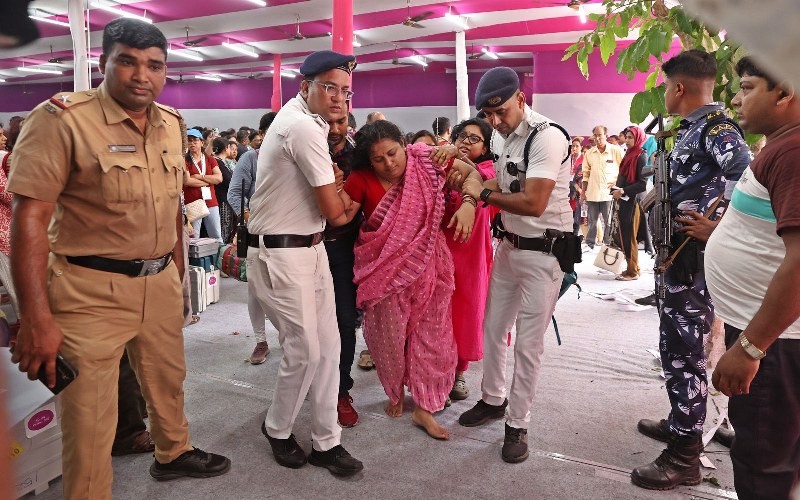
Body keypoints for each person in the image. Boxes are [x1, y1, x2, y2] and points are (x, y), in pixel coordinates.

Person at [7, 18, 230, 499]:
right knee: (89, 419)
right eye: (127, 61)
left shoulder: (170, 123)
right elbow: (29, 219)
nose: (141, 75)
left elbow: (171, 205)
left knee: (168, 382)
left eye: (154, 65)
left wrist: (175, 274)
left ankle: (173, 452)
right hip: (89, 291)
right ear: (103, 62)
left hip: (159, 281)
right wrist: (35, 318)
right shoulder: (62, 120)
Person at [631, 49, 751, 491]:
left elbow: (746, 173)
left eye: (666, 86)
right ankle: (683, 421)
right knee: (676, 348)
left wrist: (720, 226)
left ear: (679, 87)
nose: (665, 93)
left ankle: (684, 456)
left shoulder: (717, 129)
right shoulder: (692, 130)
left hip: (692, 260)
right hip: (678, 255)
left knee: (683, 351)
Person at [247, 50, 363, 476]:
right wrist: (352, 194)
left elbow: (328, 207)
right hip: (281, 252)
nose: (338, 98)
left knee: (330, 348)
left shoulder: (307, 121)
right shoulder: (301, 126)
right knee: (306, 350)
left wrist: (338, 191)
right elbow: (334, 213)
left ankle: (327, 441)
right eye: (329, 87)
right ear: (305, 87)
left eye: (345, 91)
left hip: (310, 248)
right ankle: (277, 428)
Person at [337, 120, 480, 440]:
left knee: (434, 336)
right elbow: (341, 215)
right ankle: (396, 390)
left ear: (404, 144)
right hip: (384, 271)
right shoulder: (361, 178)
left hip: (429, 265)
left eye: (393, 153)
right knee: (389, 337)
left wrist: (469, 203)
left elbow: (472, 175)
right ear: (368, 161)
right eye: (378, 159)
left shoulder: (428, 160)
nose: (389, 163)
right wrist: (328, 187)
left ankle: (424, 407)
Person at [458, 66, 572, 464]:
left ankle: (518, 423)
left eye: (501, 111)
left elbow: (534, 202)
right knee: (493, 328)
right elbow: (500, 183)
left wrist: (481, 193)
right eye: (488, 115)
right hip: (509, 246)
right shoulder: (502, 136)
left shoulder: (547, 136)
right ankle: (493, 398)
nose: (494, 121)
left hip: (545, 252)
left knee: (528, 343)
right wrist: (475, 181)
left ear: (521, 98)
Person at [705, 56, 800, 500]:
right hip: (770, 334)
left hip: (774, 341)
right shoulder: (782, 147)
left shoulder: (793, 153)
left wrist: (750, 347)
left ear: (785, 91)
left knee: (764, 462)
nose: (736, 100)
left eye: (747, 88)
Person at [446, 118, 497, 401]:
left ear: (486, 148)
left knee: (465, 313)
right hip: (440, 250)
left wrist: (460, 165)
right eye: (461, 136)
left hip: (470, 255)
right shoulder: (445, 165)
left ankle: (459, 372)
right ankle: (433, 371)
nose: (466, 141)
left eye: (474, 138)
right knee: (436, 314)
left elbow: (480, 182)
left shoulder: (489, 171)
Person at [323, 112, 362, 428]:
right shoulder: (301, 151)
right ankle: (312, 383)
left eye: (341, 124)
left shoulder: (359, 157)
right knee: (307, 326)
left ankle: (340, 390)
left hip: (345, 248)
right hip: (303, 247)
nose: (334, 130)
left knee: (345, 321)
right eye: (328, 123)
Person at [229, 111, 277, 365]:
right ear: (261, 134)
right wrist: (249, 218)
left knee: (285, 289)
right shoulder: (250, 158)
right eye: (272, 132)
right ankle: (261, 340)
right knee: (256, 289)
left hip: (288, 236)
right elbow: (234, 193)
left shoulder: (292, 157)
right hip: (257, 234)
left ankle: (290, 336)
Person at [610, 126, 648, 280]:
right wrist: (616, 188)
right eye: (626, 137)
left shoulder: (641, 156)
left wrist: (623, 191)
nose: (627, 140)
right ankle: (631, 267)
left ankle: (633, 271)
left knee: (630, 236)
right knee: (624, 235)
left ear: (638, 138)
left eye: (631, 137)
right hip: (624, 201)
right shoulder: (629, 154)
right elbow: (625, 178)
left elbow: (642, 184)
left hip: (633, 202)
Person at [581, 125, 623, 249]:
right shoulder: (589, 153)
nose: (597, 138)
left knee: (608, 221)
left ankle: (608, 244)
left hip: (608, 193)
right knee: (592, 221)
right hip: (592, 193)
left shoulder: (615, 150)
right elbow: (585, 174)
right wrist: (583, 193)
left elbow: (624, 169)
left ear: (606, 135)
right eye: (595, 135)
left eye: (600, 135)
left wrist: (618, 183)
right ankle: (590, 244)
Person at [183, 129, 224, 242]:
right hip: (193, 203)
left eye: (195, 140)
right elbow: (187, 181)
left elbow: (219, 178)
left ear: (202, 142)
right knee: (193, 237)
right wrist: (209, 181)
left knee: (216, 235)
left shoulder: (210, 159)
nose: (192, 143)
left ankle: (218, 253)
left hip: (211, 201)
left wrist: (199, 176)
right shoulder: (185, 160)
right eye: (189, 141)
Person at [211, 137, 238, 243]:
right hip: (222, 199)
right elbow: (228, 180)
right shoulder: (218, 162)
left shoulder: (222, 162)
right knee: (224, 228)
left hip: (224, 198)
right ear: (226, 148)